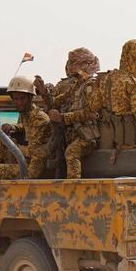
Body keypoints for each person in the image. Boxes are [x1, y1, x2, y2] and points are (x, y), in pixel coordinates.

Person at [34, 47, 101, 179]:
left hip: (87, 135)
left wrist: (63, 118)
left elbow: (91, 113)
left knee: (71, 153)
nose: (74, 68)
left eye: (78, 64)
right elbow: (55, 103)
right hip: (72, 134)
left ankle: (74, 188)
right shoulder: (76, 86)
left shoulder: (92, 86)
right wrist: (44, 92)